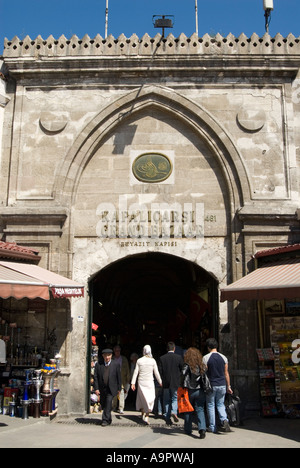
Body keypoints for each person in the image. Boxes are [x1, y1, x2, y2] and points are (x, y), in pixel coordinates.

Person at [203, 338, 233, 433]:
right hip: (222, 384)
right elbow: (226, 373)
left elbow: (204, 372)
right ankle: (224, 420)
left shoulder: (206, 358)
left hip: (211, 384)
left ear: (208, 347)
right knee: (220, 404)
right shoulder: (224, 358)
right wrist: (228, 386)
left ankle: (212, 426)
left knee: (211, 405)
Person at [131, 345, 162, 425]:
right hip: (149, 382)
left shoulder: (139, 361)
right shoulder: (153, 361)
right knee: (149, 399)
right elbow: (156, 373)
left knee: (142, 399)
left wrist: (133, 382)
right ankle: (147, 416)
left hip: (141, 382)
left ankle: (142, 414)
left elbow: (135, 372)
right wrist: (160, 381)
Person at [181, 347, 207, 439]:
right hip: (200, 390)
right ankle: (202, 429)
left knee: (188, 409)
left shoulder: (187, 365)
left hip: (190, 389)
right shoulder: (201, 365)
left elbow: (183, 374)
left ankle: (188, 429)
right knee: (200, 409)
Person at [94, 348, 121, 426]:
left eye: (108, 355)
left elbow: (118, 377)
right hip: (102, 388)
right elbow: (96, 377)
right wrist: (96, 388)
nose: (107, 357)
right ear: (103, 356)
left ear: (111, 355)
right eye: (105, 355)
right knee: (103, 403)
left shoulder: (115, 364)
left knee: (108, 403)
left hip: (111, 388)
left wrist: (119, 388)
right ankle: (109, 419)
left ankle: (105, 420)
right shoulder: (99, 364)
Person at [159, 341, 183, 425]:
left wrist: (161, 380)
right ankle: (174, 411)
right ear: (174, 348)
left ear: (167, 349)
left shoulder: (162, 358)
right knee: (174, 398)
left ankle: (167, 415)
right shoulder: (178, 357)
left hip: (165, 381)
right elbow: (182, 369)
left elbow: (160, 371)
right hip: (175, 381)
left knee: (166, 399)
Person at [112, 345, 131, 414]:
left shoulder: (124, 359)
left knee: (122, 393)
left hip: (122, 378)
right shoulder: (112, 359)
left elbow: (127, 369)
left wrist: (128, 378)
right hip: (113, 378)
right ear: (114, 351)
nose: (118, 352)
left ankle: (121, 408)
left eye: (119, 351)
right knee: (114, 393)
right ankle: (113, 406)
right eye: (116, 351)